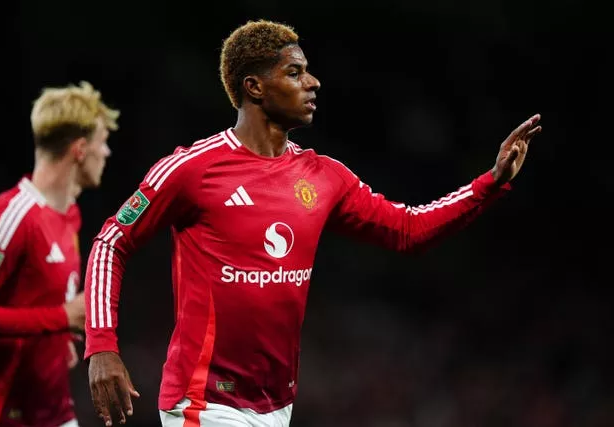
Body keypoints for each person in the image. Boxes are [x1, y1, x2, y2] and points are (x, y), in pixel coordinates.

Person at [84, 19, 542, 427]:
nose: (313, 82)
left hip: (277, 404)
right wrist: (102, 346)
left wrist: (489, 183)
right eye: (295, 72)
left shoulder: (323, 176)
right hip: (205, 402)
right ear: (255, 88)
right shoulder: (192, 169)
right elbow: (111, 244)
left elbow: (407, 230)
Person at [0, 81, 119, 427]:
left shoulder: (70, 215)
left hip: (53, 411)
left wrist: (60, 337)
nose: (108, 153)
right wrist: (61, 319)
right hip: (2, 413)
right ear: (80, 149)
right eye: (103, 142)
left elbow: (33, 298)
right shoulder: (16, 214)